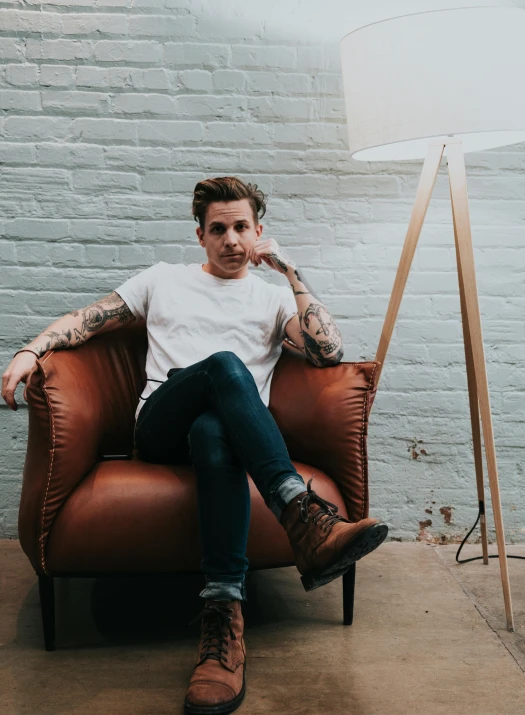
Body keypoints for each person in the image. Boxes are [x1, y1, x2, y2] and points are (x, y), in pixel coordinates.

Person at [2, 176, 388, 715]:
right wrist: (31, 349)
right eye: (218, 229)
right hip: (160, 428)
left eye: (241, 228)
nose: (231, 240)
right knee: (226, 367)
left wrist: (291, 271)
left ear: (259, 232)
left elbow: (328, 351)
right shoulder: (165, 280)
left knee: (214, 432)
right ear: (201, 236)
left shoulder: (275, 298)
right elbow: (91, 318)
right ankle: (301, 513)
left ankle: (223, 624)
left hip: (222, 438)